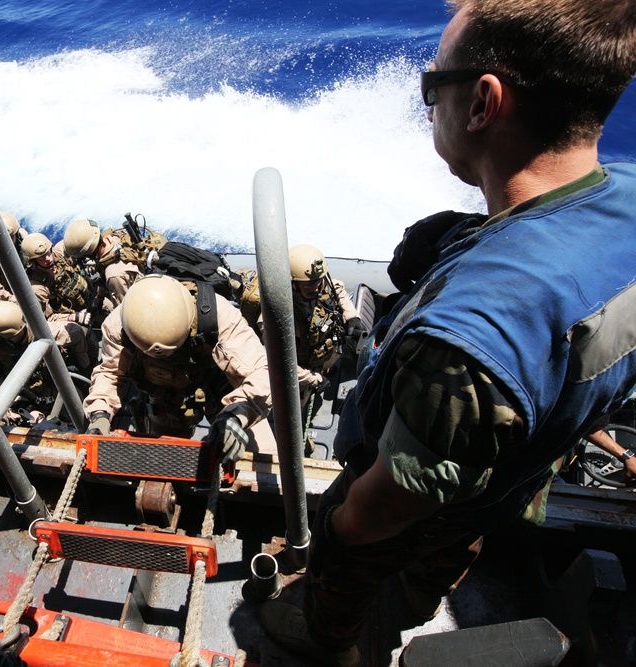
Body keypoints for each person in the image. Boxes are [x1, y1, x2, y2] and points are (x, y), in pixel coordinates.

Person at [259, 2, 636, 665]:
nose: (428, 102)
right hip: (507, 484)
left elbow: (385, 509)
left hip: (424, 497)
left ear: (483, 103)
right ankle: (416, 591)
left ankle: (331, 637)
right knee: (453, 541)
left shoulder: (467, 343)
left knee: (361, 540)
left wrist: (336, 529)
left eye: (434, 86)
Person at [84, 274, 272, 463]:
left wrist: (236, 415)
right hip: (166, 399)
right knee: (164, 464)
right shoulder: (119, 325)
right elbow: (110, 373)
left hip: (223, 393)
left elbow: (261, 373)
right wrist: (100, 413)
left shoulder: (219, 316)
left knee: (266, 461)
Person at [257, 244, 364, 408]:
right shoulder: (275, 317)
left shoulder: (322, 286)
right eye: (307, 285)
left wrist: (352, 318)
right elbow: (278, 361)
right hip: (301, 371)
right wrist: (312, 379)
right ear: (292, 283)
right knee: (296, 406)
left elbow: (338, 291)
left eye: (317, 282)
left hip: (326, 356)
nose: (315, 289)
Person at [0, 301, 87, 423]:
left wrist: (82, 363)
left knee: (76, 413)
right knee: (15, 419)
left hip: (51, 383)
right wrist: (11, 397)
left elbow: (76, 332)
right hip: (19, 392)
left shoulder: (39, 331)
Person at [61, 217, 155, 309]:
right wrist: (99, 298)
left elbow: (126, 314)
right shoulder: (111, 239)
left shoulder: (114, 275)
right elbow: (102, 266)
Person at [21, 232, 96, 327]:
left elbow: (79, 238)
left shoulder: (60, 254)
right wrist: (73, 317)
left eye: (48, 252)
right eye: (41, 257)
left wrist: (90, 257)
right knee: (81, 333)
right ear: (32, 262)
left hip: (91, 298)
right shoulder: (37, 288)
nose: (48, 258)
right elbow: (48, 319)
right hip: (75, 316)